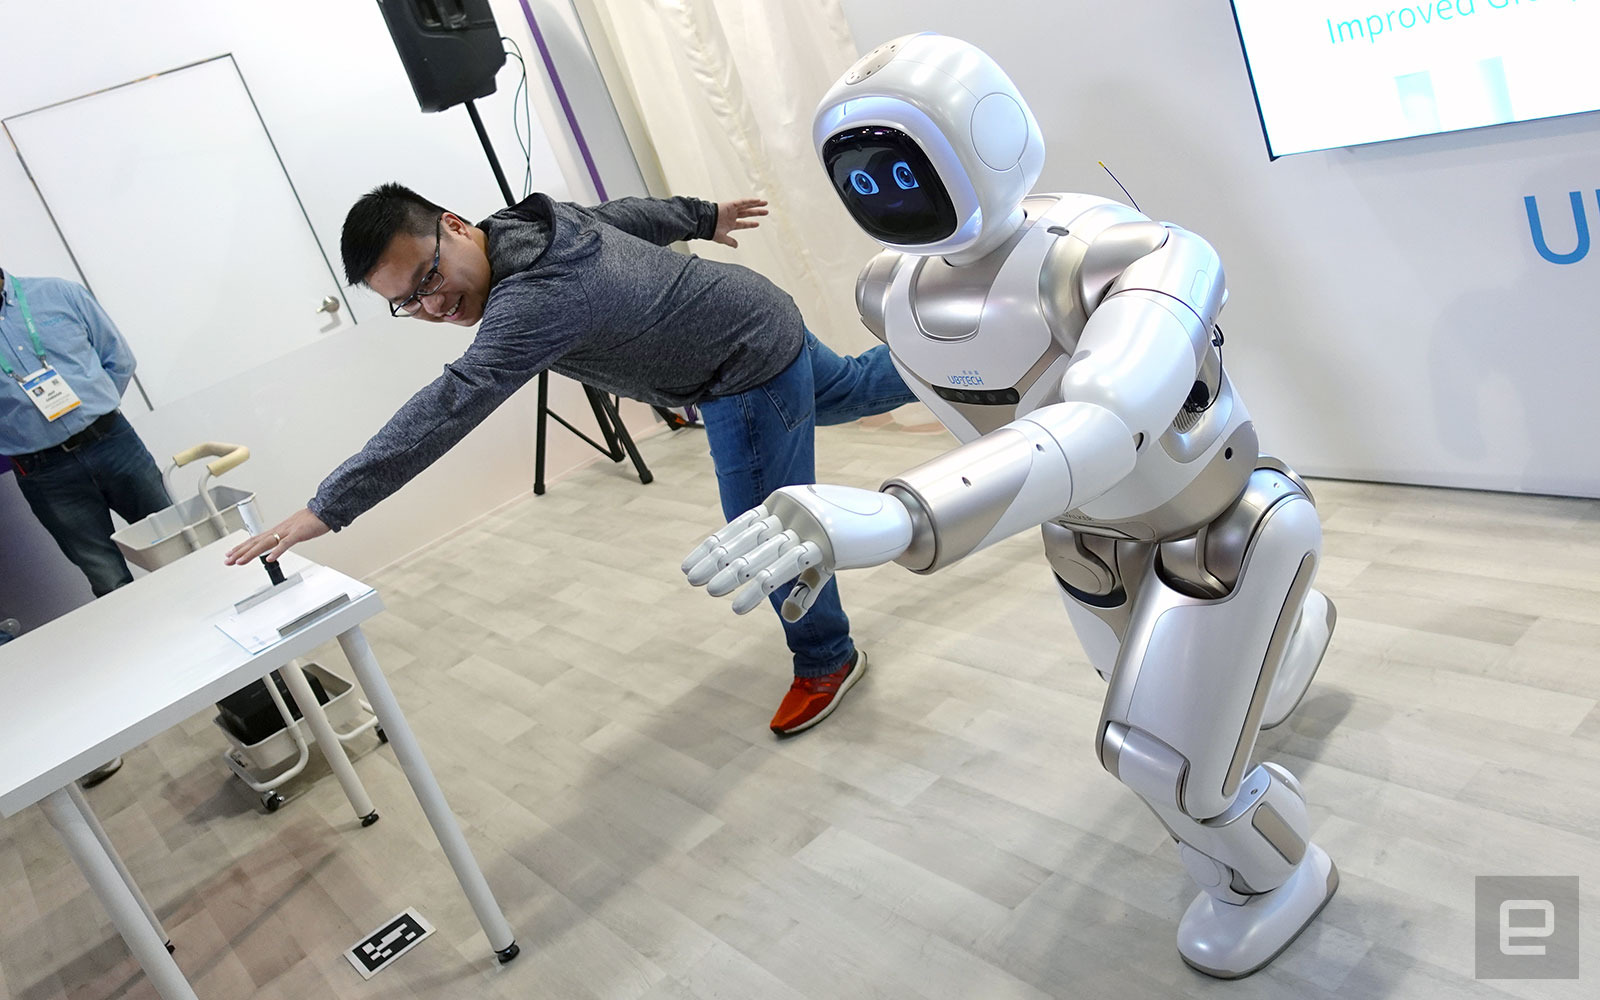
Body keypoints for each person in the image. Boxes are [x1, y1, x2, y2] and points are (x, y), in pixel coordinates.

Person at [225, 185, 916, 734]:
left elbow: (449, 404)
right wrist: (701, 216)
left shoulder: (532, 301)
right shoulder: (527, 224)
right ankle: (962, 351)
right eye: (407, 303)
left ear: (456, 227)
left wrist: (327, 506)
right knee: (853, 389)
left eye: (429, 278)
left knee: (764, 534)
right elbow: (619, 217)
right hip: (757, 310)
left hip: (740, 367)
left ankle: (827, 659)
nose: (432, 306)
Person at [1, 269, 167, 786]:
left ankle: (244, 663)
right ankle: (157, 685)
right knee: (108, 580)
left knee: (174, 549)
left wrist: (94, 417)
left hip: (114, 441)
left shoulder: (57, 294)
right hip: (44, 472)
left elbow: (119, 359)